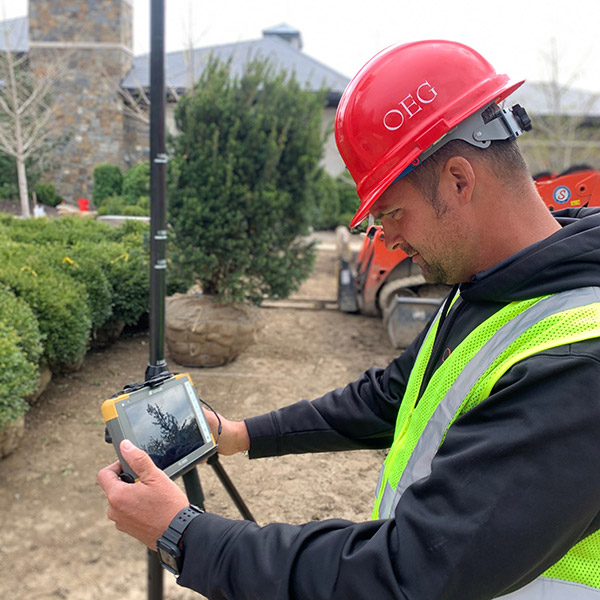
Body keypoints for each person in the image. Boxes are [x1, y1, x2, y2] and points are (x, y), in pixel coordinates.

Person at [98, 40, 600, 599]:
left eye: (389, 213)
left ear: (459, 180)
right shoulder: (497, 286)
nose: (390, 238)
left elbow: (405, 576)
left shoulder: (579, 364)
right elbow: (390, 396)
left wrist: (184, 535)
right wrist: (240, 435)